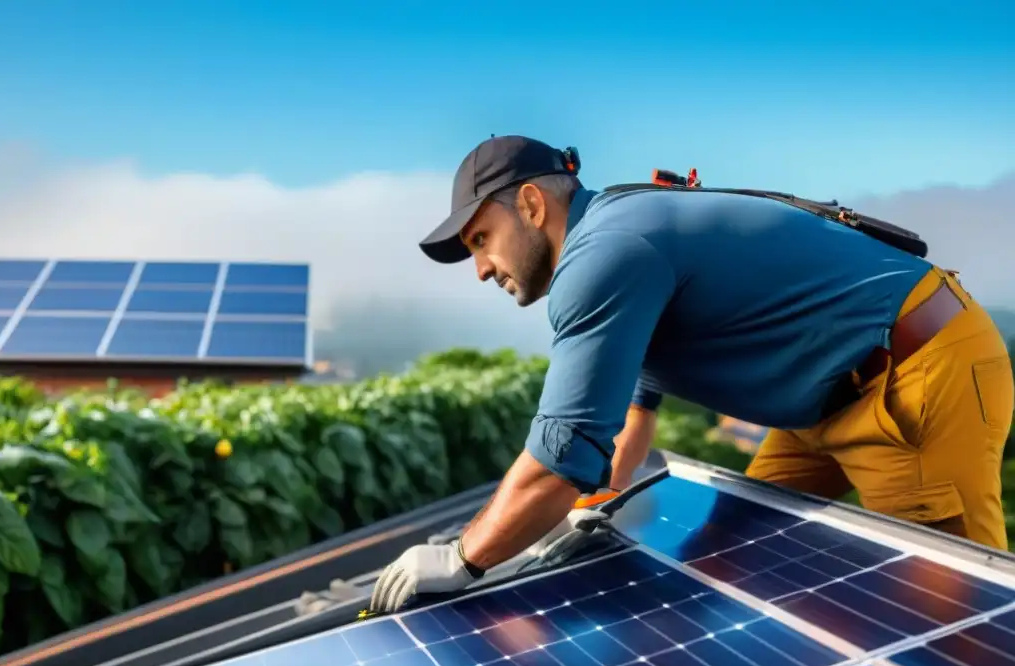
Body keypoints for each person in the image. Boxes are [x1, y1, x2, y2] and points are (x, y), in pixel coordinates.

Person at [369, 135, 1013, 614]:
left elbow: (560, 456)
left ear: (532, 204)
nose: (480, 269)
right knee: (752, 558)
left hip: (916, 373)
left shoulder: (606, 254)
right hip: (823, 400)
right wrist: (587, 512)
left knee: (952, 620)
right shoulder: (623, 234)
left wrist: (463, 556)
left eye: (482, 240)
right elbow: (627, 426)